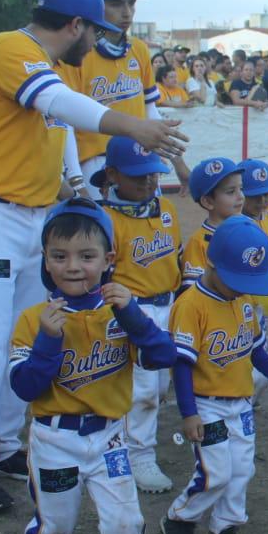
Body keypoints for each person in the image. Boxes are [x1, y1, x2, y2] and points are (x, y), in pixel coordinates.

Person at [0, 0, 187, 514]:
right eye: (93, 29)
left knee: (22, 333)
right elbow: (59, 104)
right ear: (76, 25)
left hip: (28, 213)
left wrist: (74, 184)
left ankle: (2, 445)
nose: (95, 41)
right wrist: (136, 127)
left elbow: (57, 125)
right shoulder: (10, 47)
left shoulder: (43, 65)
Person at [0, 198, 175, 534]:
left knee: (124, 523)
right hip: (55, 439)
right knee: (54, 527)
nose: (73, 266)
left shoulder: (120, 312)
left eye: (86, 255)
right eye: (60, 256)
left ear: (108, 260)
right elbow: (25, 388)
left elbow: (163, 356)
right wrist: (47, 340)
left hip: (110, 438)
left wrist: (133, 315)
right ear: (45, 260)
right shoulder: (32, 319)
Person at [160, 216, 268, 534]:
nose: (241, 288)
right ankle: (180, 519)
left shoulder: (244, 299)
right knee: (216, 472)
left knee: (242, 470)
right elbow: (181, 364)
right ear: (212, 263)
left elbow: (256, 349)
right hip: (205, 404)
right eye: (237, 280)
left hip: (241, 403)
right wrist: (188, 413)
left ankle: (224, 530)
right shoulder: (190, 304)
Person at [92, 137, 183, 494]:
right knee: (142, 387)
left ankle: (130, 443)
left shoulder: (166, 209)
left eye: (153, 174)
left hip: (169, 304)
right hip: (132, 309)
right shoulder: (104, 217)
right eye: (137, 175)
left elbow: (174, 258)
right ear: (112, 174)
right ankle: (139, 454)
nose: (148, 182)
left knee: (160, 385)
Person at [52, 0, 161, 198]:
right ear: (97, 6)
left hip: (141, 158)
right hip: (96, 162)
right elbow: (66, 123)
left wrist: (165, 157)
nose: (126, 12)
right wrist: (76, 179)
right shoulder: (76, 54)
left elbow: (150, 107)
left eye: (131, 3)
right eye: (115, 4)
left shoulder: (139, 49)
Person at [180, 158, 245, 286]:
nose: (241, 196)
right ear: (208, 202)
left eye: (241, 188)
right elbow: (193, 291)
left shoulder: (249, 229)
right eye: (231, 192)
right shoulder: (198, 243)